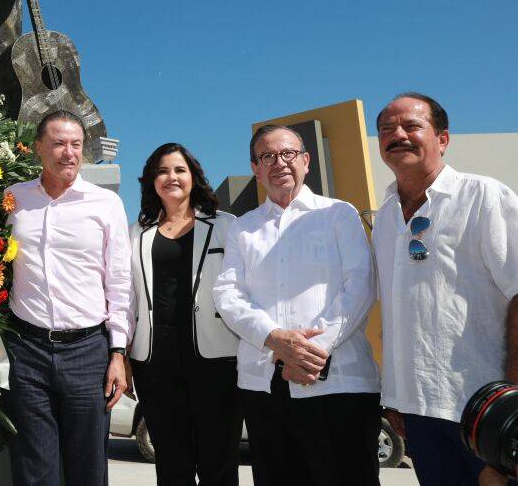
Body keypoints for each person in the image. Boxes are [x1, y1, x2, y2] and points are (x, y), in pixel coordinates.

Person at [214, 124, 381, 486]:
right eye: (267, 156)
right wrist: (273, 338)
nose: (279, 162)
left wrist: (309, 352)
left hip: (339, 385)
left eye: (288, 153)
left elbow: (361, 285)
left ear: (306, 161)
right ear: (256, 169)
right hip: (265, 388)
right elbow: (228, 294)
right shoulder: (242, 228)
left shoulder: (339, 214)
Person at [372, 92, 518, 486]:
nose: (397, 135)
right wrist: (396, 398)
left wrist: (512, 400)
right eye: (386, 129)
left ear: (443, 138)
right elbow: (396, 311)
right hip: (418, 413)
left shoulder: (483, 197)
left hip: (487, 411)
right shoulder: (384, 217)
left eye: (411, 126)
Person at [2, 110, 132, 486]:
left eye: (76, 144)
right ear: (38, 147)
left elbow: (119, 282)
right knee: (33, 470)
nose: (69, 153)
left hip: (88, 351)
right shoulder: (13, 199)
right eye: (58, 143)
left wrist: (118, 353)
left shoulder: (105, 204)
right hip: (27, 351)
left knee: (88, 469)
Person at [127, 143, 241, 486]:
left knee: (219, 462)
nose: (171, 177)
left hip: (216, 360)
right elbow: (127, 297)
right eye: (162, 171)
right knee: (172, 464)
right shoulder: (136, 233)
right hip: (155, 362)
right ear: (151, 180)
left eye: (179, 170)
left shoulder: (226, 226)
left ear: (193, 176)